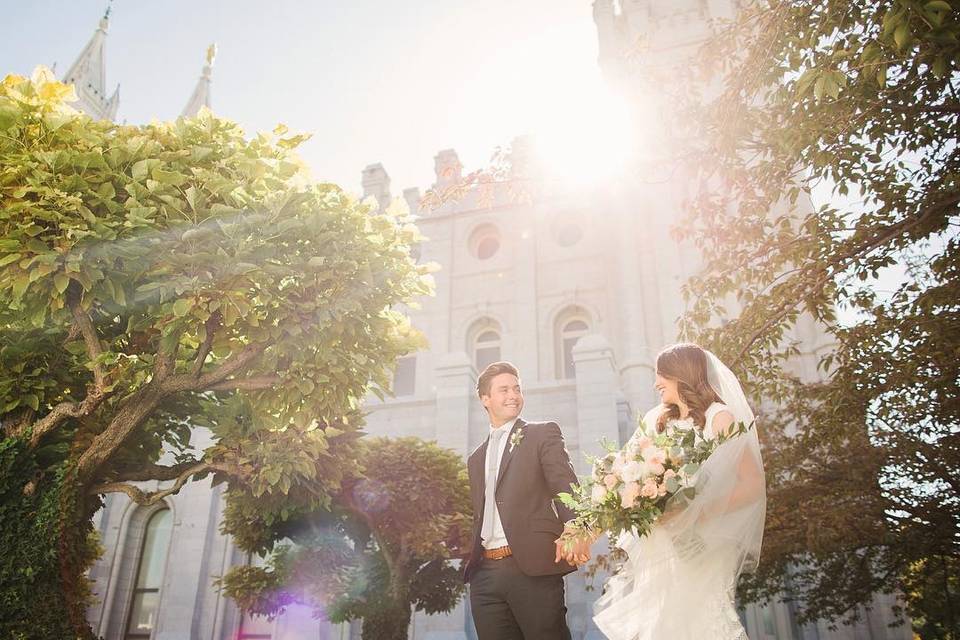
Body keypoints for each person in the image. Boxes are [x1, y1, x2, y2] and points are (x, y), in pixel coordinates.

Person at [593, 343, 766, 640]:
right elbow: (629, 473)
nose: (656, 382)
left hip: (704, 540)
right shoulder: (658, 421)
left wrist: (695, 514)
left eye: (661, 374)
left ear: (680, 374)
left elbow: (751, 484)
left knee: (701, 618)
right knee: (665, 626)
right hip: (662, 543)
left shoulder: (719, 417)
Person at [463, 361, 591, 639]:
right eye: (504, 389)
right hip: (484, 576)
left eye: (517, 389)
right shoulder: (474, 459)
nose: (513, 395)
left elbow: (564, 483)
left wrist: (576, 526)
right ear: (485, 399)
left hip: (532, 568)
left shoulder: (542, 433)